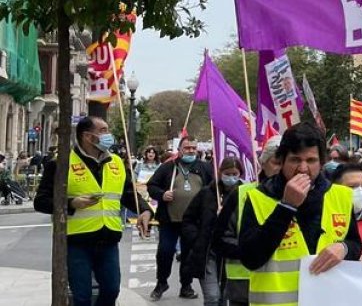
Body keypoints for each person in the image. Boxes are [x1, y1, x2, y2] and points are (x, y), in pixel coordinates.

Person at [237, 123, 361, 306]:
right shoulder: (258, 197)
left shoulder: (341, 195)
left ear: (321, 162)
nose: (303, 169)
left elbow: (355, 244)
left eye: (311, 160)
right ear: (282, 161)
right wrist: (286, 207)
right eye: (295, 160)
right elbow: (250, 258)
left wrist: (344, 248)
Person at [35, 116, 152, 306]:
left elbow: (128, 194)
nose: (109, 135)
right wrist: (72, 203)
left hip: (109, 239)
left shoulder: (116, 162)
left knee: (112, 290)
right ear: (88, 137)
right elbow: (41, 202)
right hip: (77, 242)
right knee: (81, 296)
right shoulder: (60, 163)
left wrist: (145, 211)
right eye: (104, 131)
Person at [214, 138, 281, 306]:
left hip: (286, 289)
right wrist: (253, 250)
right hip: (244, 286)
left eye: (287, 162)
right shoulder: (242, 194)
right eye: (276, 162)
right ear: (263, 164)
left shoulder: (304, 198)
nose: (281, 168)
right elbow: (220, 240)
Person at [146, 136, 212, 300]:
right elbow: (151, 186)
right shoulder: (167, 167)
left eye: (193, 148)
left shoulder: (205, 168)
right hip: (170, 220)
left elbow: (214, 189)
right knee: (165, 251)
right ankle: (161, 283)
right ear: (180, 150)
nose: (191, 151)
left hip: (193, 222)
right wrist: (162, 194)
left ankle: (186, 285)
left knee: (188, 254)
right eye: (187, 148)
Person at [181, 157, 244, 306]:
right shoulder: (207, 193)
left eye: (235, 174)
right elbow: (188, 219)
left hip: (230, 253)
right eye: (228, 174)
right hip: (208, 252)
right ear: (220, 172)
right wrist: (197, 239)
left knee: (224, 298)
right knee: (212, 297)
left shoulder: (245, 194)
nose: (231, 177)